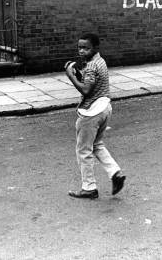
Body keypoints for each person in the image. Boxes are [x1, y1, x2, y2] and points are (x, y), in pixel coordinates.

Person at [65, 33, 126, 199]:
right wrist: (79, 75)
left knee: (83, 150)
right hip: (105, 107)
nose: (82, 51)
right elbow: (89, 82)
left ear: (96, 48)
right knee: (97, 143)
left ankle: (89, 187)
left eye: (86, 48)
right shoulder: (100, 61)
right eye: (80, 48)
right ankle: (115, 173)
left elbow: (86, 90)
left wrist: (70, 76)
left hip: (91, 112)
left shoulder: (91, 66)